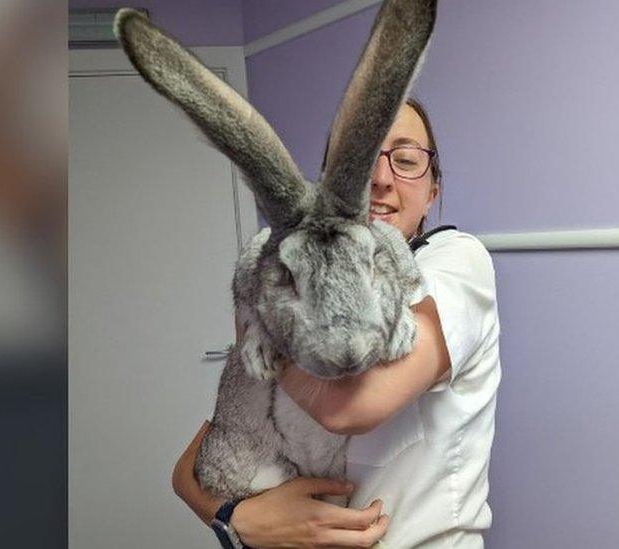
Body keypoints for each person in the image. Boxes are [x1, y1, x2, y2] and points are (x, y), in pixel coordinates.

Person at [172, 98, 502, 548]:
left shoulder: (456, 261)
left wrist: (268, 321)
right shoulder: (287, 268)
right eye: (359, 164)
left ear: (432, 192)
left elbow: (347, 409)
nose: (381, 179)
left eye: (406, 160)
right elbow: (192, 468)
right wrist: (235, 516)